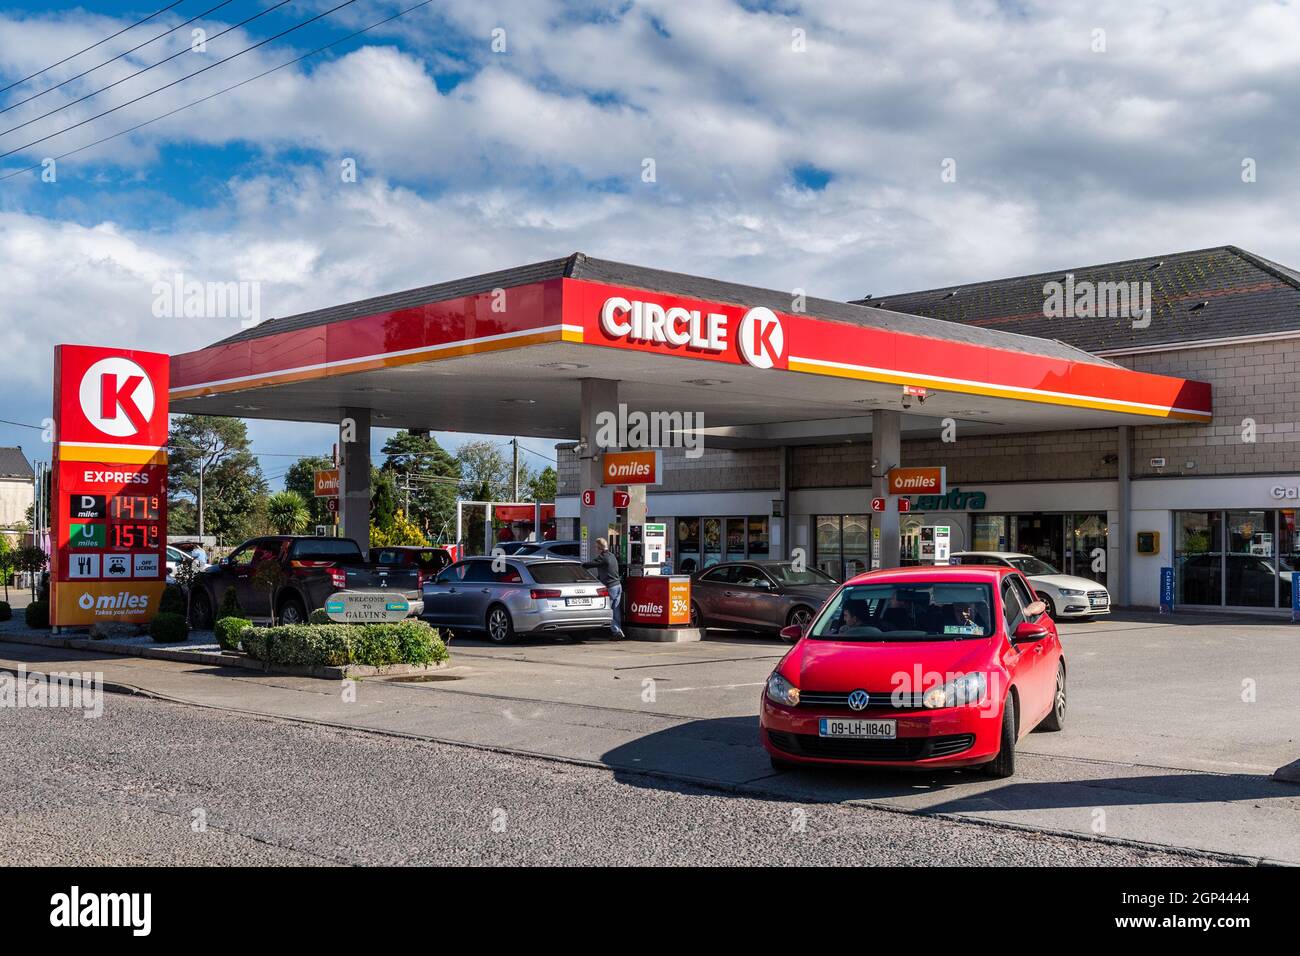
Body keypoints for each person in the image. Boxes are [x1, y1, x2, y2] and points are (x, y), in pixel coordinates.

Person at [583, 537, 625, 639]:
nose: (595, 550)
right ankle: (617, 630)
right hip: (618, 586)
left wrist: (580, 565)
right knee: (615, 610)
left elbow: (589, 565)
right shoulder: (612, 556)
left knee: (607, 610)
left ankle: (617, 631)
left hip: (610, 587)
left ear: (600, 547)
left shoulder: (603, 557)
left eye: (596, 547)